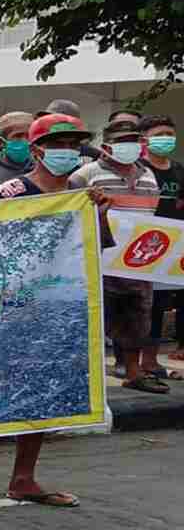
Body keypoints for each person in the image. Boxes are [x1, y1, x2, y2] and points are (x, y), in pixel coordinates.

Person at [0, 113, 108, 515]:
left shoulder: (82, 192)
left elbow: (98, 247)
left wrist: (102, 212)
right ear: (38, 148)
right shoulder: (12, 191)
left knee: (43, 392)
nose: (66, 152)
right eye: (58, 144)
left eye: (72, 144)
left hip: (58, 308)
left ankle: (24, 478)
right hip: (9, 307)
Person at [66, 118, 163, 393]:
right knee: (97, 321)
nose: (129, 146)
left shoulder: (147, 175)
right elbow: (72, 215)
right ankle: (87, 382)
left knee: (138, 319)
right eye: (122, 142)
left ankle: (134, 373)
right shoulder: (84, 174)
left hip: (138, 260)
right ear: (106, 146)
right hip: (101, 260)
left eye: (133, 140)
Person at [138, 116, 184, 370]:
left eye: (170, 133)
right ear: (144, 139)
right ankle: (138, 360)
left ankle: (152, 361)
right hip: (142, 245)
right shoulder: (137, 169)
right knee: (145, 305)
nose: (166, 138)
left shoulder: (179, 170)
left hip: (174, 246)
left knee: (164, 301)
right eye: (160, 134)